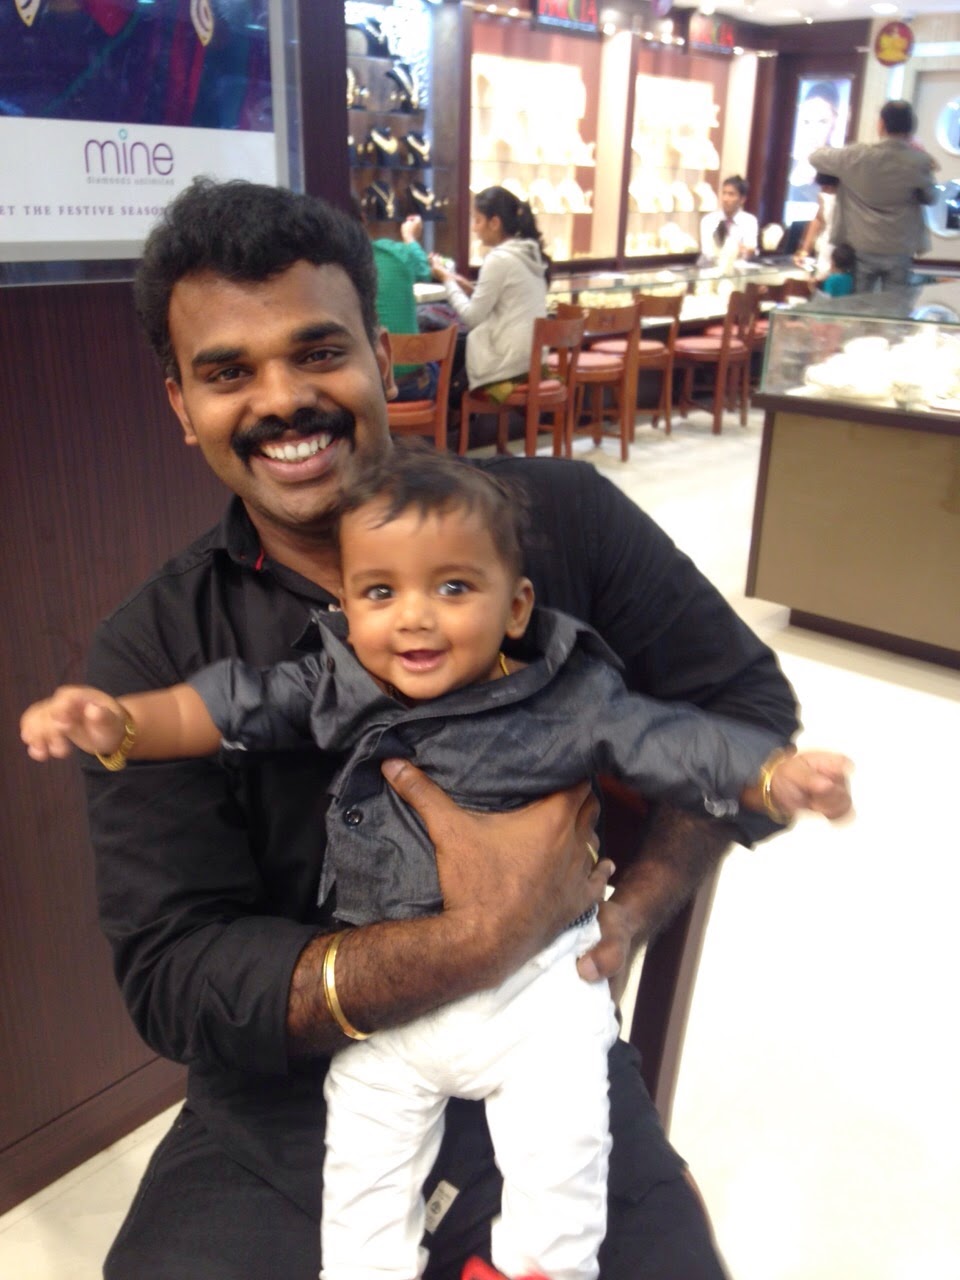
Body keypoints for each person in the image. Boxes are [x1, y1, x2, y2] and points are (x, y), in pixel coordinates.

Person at [60, 176, 831, 1280]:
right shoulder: (157, 649)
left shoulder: (557, 522)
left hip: (547, 1046)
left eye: (319, 351)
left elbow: (738, 707)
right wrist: (477, 934)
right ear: (182, 405)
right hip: (289, 1108)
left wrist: (628, 915)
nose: (284, 400)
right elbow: (177, 973)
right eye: (229, 372)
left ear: (383, 355)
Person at [429, 186, 548, 404]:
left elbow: (472, 318)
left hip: (509, 362)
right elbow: (505, 301)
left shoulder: (499, 259)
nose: (474, 228)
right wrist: (464, 286)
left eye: (477, 220)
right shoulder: (528, 254)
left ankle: (447, 417)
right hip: (532, 358)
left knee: (451, 351)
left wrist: (447, 281)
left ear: (495, 222)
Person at [809, 99, 937, 294]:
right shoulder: (918, 161)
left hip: (861, 244)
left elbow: (815, 158)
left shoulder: (857, 155)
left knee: (860, 304)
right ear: (910, 128)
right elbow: (931, 198)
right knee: (894, 304)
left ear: (881, 124)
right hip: (900, 246)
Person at [358, 205, 438, 403]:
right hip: (411, 386)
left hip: (362, 392)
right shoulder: (394, 253)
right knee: (437, 367)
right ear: (363, 219)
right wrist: (410, 236)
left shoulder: (324, 271)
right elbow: (424, 270)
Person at [787, 82, 842, 206]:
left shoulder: (839, 171)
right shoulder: (787, 165)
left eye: (822, 122)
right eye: (806, 122)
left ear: (834, 123)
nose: (813, 131)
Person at [699, 175, 758, 267]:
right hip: (712, 269)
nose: (725, 199)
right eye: (724, 193)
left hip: (739, 270)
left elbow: (749, 249)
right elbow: (707, 252)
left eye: (731, 194)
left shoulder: (749, 221)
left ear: (742, 199)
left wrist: (746, 252)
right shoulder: (708, 220)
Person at [794, 175, 839, 282]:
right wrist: (804, 250)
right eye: (822, 187)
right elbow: (818, 220)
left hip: (841, 249)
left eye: (826, 187)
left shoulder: (848, 196)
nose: (823, 190)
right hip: (825, 245)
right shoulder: (824, 195)